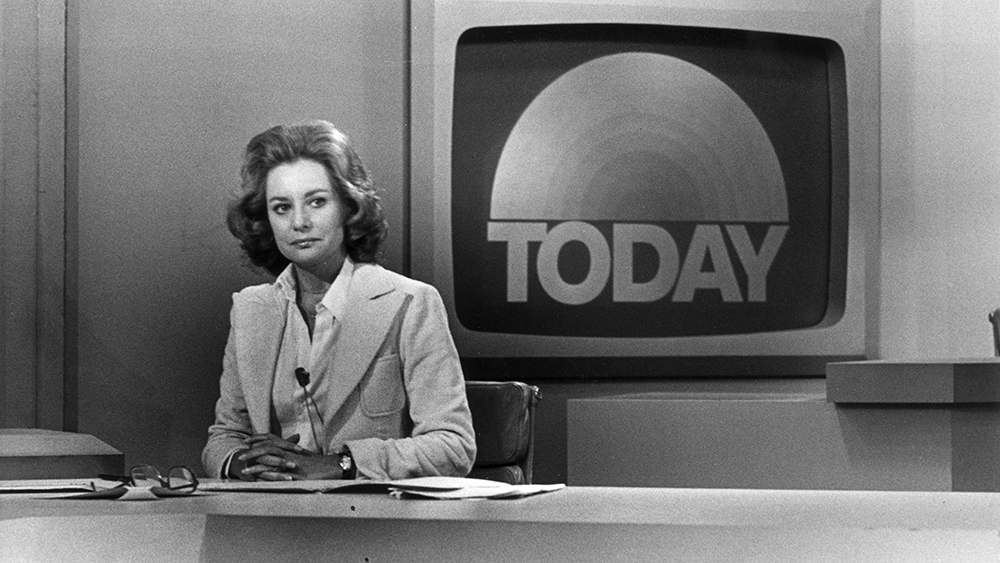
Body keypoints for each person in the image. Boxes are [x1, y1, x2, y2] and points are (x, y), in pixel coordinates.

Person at [202, 120, 476, 481]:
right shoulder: (251, 311)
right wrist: (241, 462)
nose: (299, 222)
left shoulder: (411, 303)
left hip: (375, 524)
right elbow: (223, 438)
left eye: (317, 202)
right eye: (281, 208)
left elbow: (453, 446)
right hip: (273, 521)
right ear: (265, 219)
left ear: (348, 207)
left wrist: (341, 464)